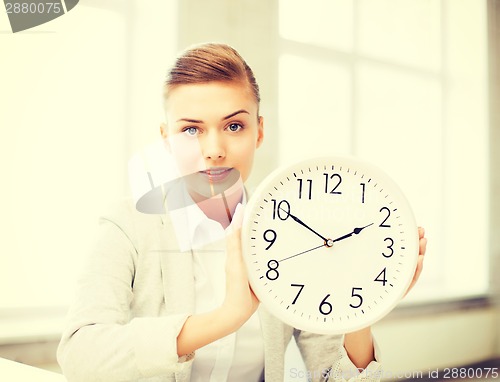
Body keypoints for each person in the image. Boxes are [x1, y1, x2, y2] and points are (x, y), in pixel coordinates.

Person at [57, 43, 427, 382]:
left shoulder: (301, 232)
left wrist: (365, 307)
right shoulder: (128, 226)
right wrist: (226, 317)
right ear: (166, 139)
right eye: (191, 130)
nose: (214, 149)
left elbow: (333, 375)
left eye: (234, 126)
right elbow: (79, 355)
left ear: (259, 132)